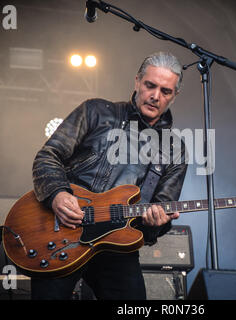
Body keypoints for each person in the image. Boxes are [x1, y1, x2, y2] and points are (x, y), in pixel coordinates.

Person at [30, 52, 188, 300]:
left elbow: (162, 207)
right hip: (63, 231)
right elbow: (48, 156)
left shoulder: (174, 149)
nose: (155, 96)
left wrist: (158, 221)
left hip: (118, 246)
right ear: (137, 81)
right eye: (149, 85)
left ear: (174, 95)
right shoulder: (96, 111)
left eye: (166, 91)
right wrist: (58, 194)